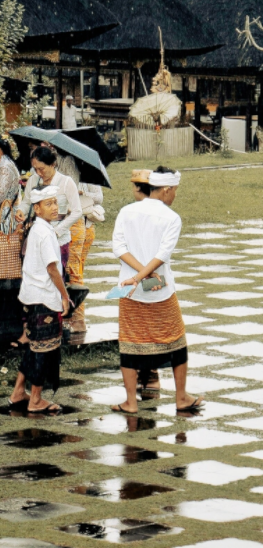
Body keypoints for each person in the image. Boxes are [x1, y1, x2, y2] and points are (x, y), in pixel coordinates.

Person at [111, 166, 203, 414]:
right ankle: (181, 397)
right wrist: (147, 274)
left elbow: (118, 248)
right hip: (161, 290)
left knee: (130, 343)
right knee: (176, 342)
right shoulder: (171, 217)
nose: (174, 196)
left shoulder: (126, 211)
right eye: (174, 191)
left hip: (130, 290)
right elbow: (163, 254)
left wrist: (138, 275)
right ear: (167, 189)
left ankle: (131, 401)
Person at [8, 186, 71, 414]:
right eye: (48, 204)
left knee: (33, 345)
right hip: (44, 297)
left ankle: (17, 392)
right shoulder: (43, 232)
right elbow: (52, 267)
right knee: (43, 349)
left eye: (55, 202)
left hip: (32, 295)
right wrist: (65, 295)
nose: (55, 208)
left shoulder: (38, 228)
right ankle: (35, 399)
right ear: (36, 208)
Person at [14, 146, 81, 347]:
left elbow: (77, 212)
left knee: (54, 279)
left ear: (53, 165)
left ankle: (54, 327)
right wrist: (21, 212)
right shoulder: (33, 180)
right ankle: (28, 330)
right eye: (35, 168)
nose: (38, 173)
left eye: (42, 168)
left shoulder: (66, 182)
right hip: (37, 235)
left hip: (58, 237)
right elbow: (27, 203)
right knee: (33, 279)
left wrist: (57, 230)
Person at [129, 169, 159, 396]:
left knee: (140, 325)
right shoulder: (163, 212)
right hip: (153, 274)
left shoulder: (129, 213)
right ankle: (149, 374)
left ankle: (147, 373)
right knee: (150, 324)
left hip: (136, 274)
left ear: (138, 189)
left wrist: (142, 272)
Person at [67, 181, 104, 333]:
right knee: (75, 271)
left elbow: (99, 197)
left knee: (75, 272)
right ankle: (73, 316)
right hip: (75, 225)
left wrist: (82, 194)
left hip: (85, 226)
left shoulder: (86, 177)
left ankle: (77, 318)